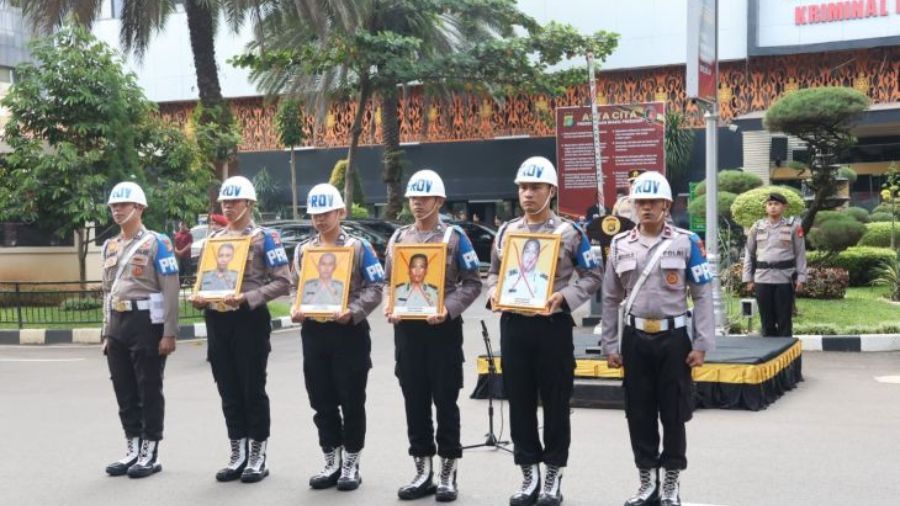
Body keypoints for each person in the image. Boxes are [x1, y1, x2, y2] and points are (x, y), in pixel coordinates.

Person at [487, 156, 603, 506]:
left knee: (555, 402)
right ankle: (528, 473)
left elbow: (593, 276)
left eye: (535, 187)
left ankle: (553, 474)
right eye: (523, 187)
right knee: (519, 401)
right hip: (515, 326)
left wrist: (564, 297)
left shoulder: (570, 233)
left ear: (551, 191)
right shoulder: (506, 231)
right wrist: (494, 291)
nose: (528, 193)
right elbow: (492, 273)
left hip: (552, 326)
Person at [600, 171, 715, 506]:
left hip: (674, 339)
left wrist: (702, 343)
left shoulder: (687, 242)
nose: (646, 208)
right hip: (635, 338)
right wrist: (610, 344)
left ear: (666, 205)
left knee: (674, 412)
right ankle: (647, 481)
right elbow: (609, 298)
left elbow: (703, 295)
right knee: (639, 411)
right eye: (640, 202)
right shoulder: (620, 244)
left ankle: (671, 482)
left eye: (652, 202)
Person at [385, 169, 482, 503]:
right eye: (413, 198)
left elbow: (473, 283)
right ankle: (421, 469)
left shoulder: (454, 237)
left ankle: (447, 472)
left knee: (445, 401)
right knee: (414, 400)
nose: (417, 203)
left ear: (439, 201)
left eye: (424, 198)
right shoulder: (398, 239)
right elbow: (389, 282)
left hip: (442, 330)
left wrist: (448, 309)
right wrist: (390, 306)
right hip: (408, 333)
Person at [190, 176, 290, 484]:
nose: (229, 207)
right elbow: (204, 280)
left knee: (252, 388)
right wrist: (199, 298)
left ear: (249, 204)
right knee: (227, 388)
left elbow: (283, 281)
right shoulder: (214, 240)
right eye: (225, 203)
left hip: (248, 318)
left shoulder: (265, 238)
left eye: (235, 202)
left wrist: (248, 297)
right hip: (218, 320)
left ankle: (258, 454)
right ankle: (237, 451)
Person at [291, 183, 384, 492]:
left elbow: (376, 287)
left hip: (349, 332)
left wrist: (353, 310)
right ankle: (331, 457)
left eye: (326, 213)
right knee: (321, 399)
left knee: (351, 400)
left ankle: (351, 462)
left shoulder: (359, 248)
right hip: (314, 332)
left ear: (341, 212)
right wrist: (297, 306)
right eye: (315, 214)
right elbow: (298, 286)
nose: (320, 220)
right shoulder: (304, 250)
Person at [100, 181, 179, 479]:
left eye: (123, 205)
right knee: (124, 388)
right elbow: (106, 291)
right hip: (118, 323)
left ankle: (150, 450)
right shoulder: (110, 245)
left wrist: (169, 332)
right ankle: (132, 446)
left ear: (140, 208)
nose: (117, 210)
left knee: (148, 387)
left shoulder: (158, 243)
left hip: (147, 322)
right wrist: (106, 332)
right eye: (113, 206)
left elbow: (170, 288)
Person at [742, 192, 806, 337]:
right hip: (762, 278)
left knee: (784, 320)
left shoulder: (794, 227)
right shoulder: (757, 227)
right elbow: (749, 253)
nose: (773, 207)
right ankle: (770, 356)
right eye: (770, 204)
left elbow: (800, 254)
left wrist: (801, 278)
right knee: (766, 320)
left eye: (776, 204)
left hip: (784, 278)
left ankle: (786, 354)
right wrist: (748, 278)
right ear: (766, 207)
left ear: (784, 207)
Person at [499, 237, 551, 308]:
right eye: (527, 251)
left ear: (538, 258)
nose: (530, 256)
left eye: (534, 252)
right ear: (522, 255)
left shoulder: (544, 280)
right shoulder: (509, 276)